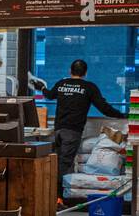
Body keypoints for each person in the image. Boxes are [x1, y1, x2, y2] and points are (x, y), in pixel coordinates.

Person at [29, 59, 124, 192]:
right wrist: (123, 115)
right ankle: (59, 198)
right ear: (85, 72)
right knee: (65, 164)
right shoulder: (89, 87)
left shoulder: (62, 83)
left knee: (58, 162)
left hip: (58, 130)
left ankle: (54, 194)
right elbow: (104, 108)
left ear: (70, 71)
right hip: (72, 131)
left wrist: (42, 88)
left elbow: (50, 95)